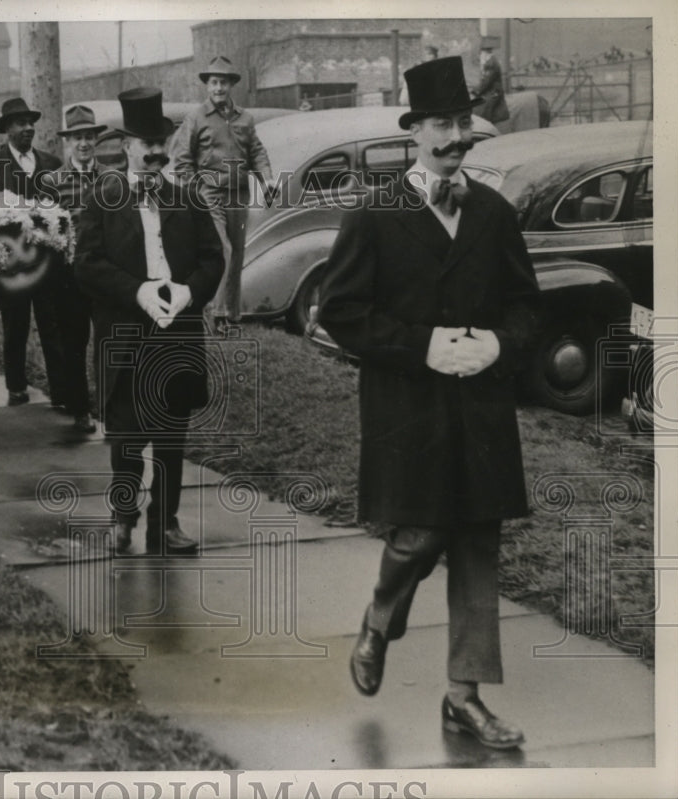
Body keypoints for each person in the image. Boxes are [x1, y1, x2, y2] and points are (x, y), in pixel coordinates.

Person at [317, 56, 540, 750]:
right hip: (407, 408)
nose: (453, 139)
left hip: (479, 412)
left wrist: (500, 346)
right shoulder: (375, 214)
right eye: (440, 125)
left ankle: (464, 696)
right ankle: (380, 616)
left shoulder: (495, 213)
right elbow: (340, 312)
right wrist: (425, 345)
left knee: (477, 539)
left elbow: (527, 306)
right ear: (415, 131)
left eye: (462, 125)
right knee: (417, 534)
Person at [75, 88, 224, 556]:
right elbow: (87, 265)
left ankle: (166, 523)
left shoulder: (187, 199)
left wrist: (188, 291)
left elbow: (212, 259)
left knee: (169, 433)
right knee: (125, 436)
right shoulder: (103, 198)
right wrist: (135, 290)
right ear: (127, 148)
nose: (157, 152)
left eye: (162, 142)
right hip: (124, 332)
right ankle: (124, 518)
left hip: (176, 332)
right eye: (147, 144)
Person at [171, 56, 275, 332]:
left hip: (239, 195)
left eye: (224, 83)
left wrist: (267, 180)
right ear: (207, 86)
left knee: (237, 254)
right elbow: (181, 159)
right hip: (210, 195)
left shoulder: (245, 118)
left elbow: (257, 152)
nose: (219, 88)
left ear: (231, 86)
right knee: (223, 252)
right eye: (214, 82)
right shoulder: (196, 118)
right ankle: (216, 316)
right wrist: (195, 191)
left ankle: (232, 314)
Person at [0, 97, 65, 409]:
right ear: (6, 130)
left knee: (52, 325)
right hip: (13, 263)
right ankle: (16, 386)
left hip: (47, 263)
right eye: (19, 123)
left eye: (30, 123)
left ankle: (61, 390)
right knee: (15, 325)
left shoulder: (52, 164)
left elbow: (62, 212)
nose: (28, 128)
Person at [36, 105, 113, 434]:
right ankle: (81, 409)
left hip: (106, 274)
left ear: (96, 140)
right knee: (74, 343)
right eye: (78, 137)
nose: (84, 143)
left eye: (89, 137)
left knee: (109, 344)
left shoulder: (112, 179)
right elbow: (43, 231)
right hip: (69, 276)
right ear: (68, 142)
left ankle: (111, 413)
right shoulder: (52, 181)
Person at [474, 37, 510, 125]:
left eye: (481, 53)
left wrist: (476, 91)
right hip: (491, 90)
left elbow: (486, 81)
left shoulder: (491, 63)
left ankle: (486, 124)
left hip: (493, 92)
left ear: (485, 53)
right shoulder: (491, 61)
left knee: (484, 109)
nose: (480, 56)